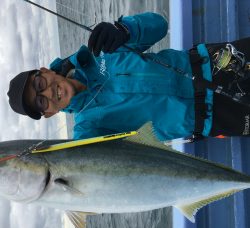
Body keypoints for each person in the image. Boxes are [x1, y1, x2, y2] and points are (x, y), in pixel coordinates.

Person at [7, 12, 250, 142]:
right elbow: (91, 172)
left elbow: (159, 25)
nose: (48, 92)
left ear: (45, 71)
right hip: (215, 116)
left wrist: (125, 30)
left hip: (217, 62)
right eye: (41, 101)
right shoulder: (88, 128)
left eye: (39, 83)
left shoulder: (100, 51)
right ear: (48, 113)